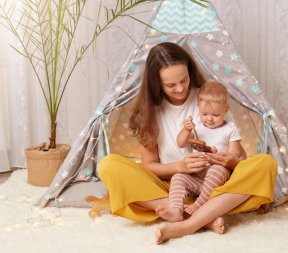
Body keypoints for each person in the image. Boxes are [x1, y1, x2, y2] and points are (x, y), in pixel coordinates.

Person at [97, 42, 278, 244]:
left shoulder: (208, 97)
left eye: (184, 79)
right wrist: (179, 167)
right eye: (170, 85)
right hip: (171, 188)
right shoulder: (148, 112)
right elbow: (148, 165)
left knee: (266, 164)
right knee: (109, 165)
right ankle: (201, 215)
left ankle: (187, 224)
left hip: (214, 186)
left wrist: (230, 161)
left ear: (190, 71)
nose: (181, 88)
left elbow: (240, 157)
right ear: (156, 83)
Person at [166, 81, 242, 219]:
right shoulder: (197, 126)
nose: (209, 119)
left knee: (216, 170)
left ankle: (199, 205)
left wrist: (218, 155)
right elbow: (181, 143)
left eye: (216, 115)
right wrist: (186, 130)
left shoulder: (230, 129)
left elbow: (236, 154)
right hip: (197, 176)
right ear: (198, 108)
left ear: (226, 110)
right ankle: (175, 210)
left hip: (217, 179)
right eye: (204, 113)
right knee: (177, 177)